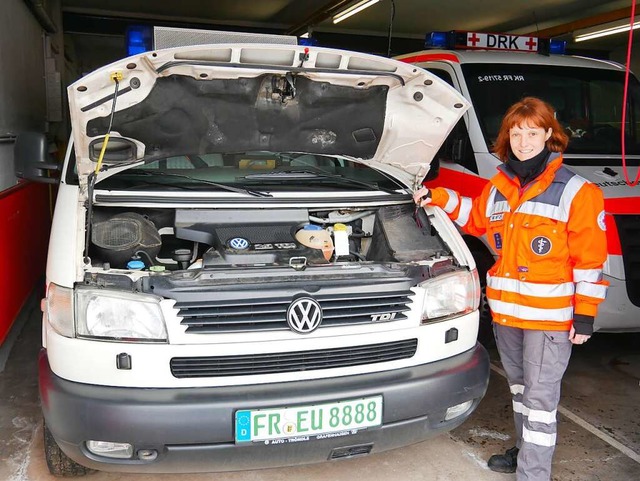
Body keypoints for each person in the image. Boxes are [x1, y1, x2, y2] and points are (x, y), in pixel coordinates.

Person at [414, 97, 608, 481]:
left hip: (549, 321)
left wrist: (584, 315)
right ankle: (524, 453)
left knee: (540, 399)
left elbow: (591, 260)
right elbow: (476, 217)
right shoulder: (500, 186)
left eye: (532, 133)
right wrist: (437, 196)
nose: (523, 141)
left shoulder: (577, 191)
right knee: (521, 390)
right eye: (516, 133)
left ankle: (533, 473)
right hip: (507, 316)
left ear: (550, 135)